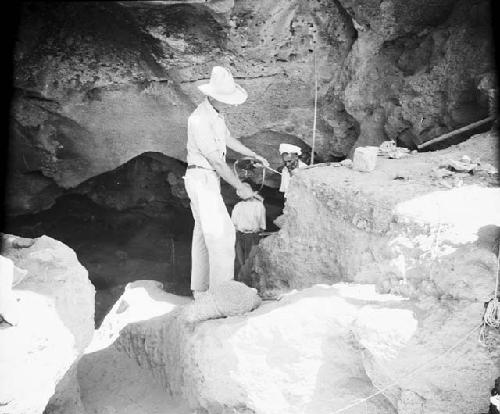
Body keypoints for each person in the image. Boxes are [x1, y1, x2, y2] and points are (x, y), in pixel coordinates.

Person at [184, 66, 270, 299]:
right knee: (222, 235)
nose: (229, 103)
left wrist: (253, 154)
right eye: (226, 99)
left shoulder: (215, 115)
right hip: (202, 177)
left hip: (205, 178)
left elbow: (227, 139)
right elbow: (217, 161)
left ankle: (201, 291)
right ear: (212, 95)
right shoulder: (199, 119)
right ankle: (222, 295)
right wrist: (239, 186)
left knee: (203, 234)